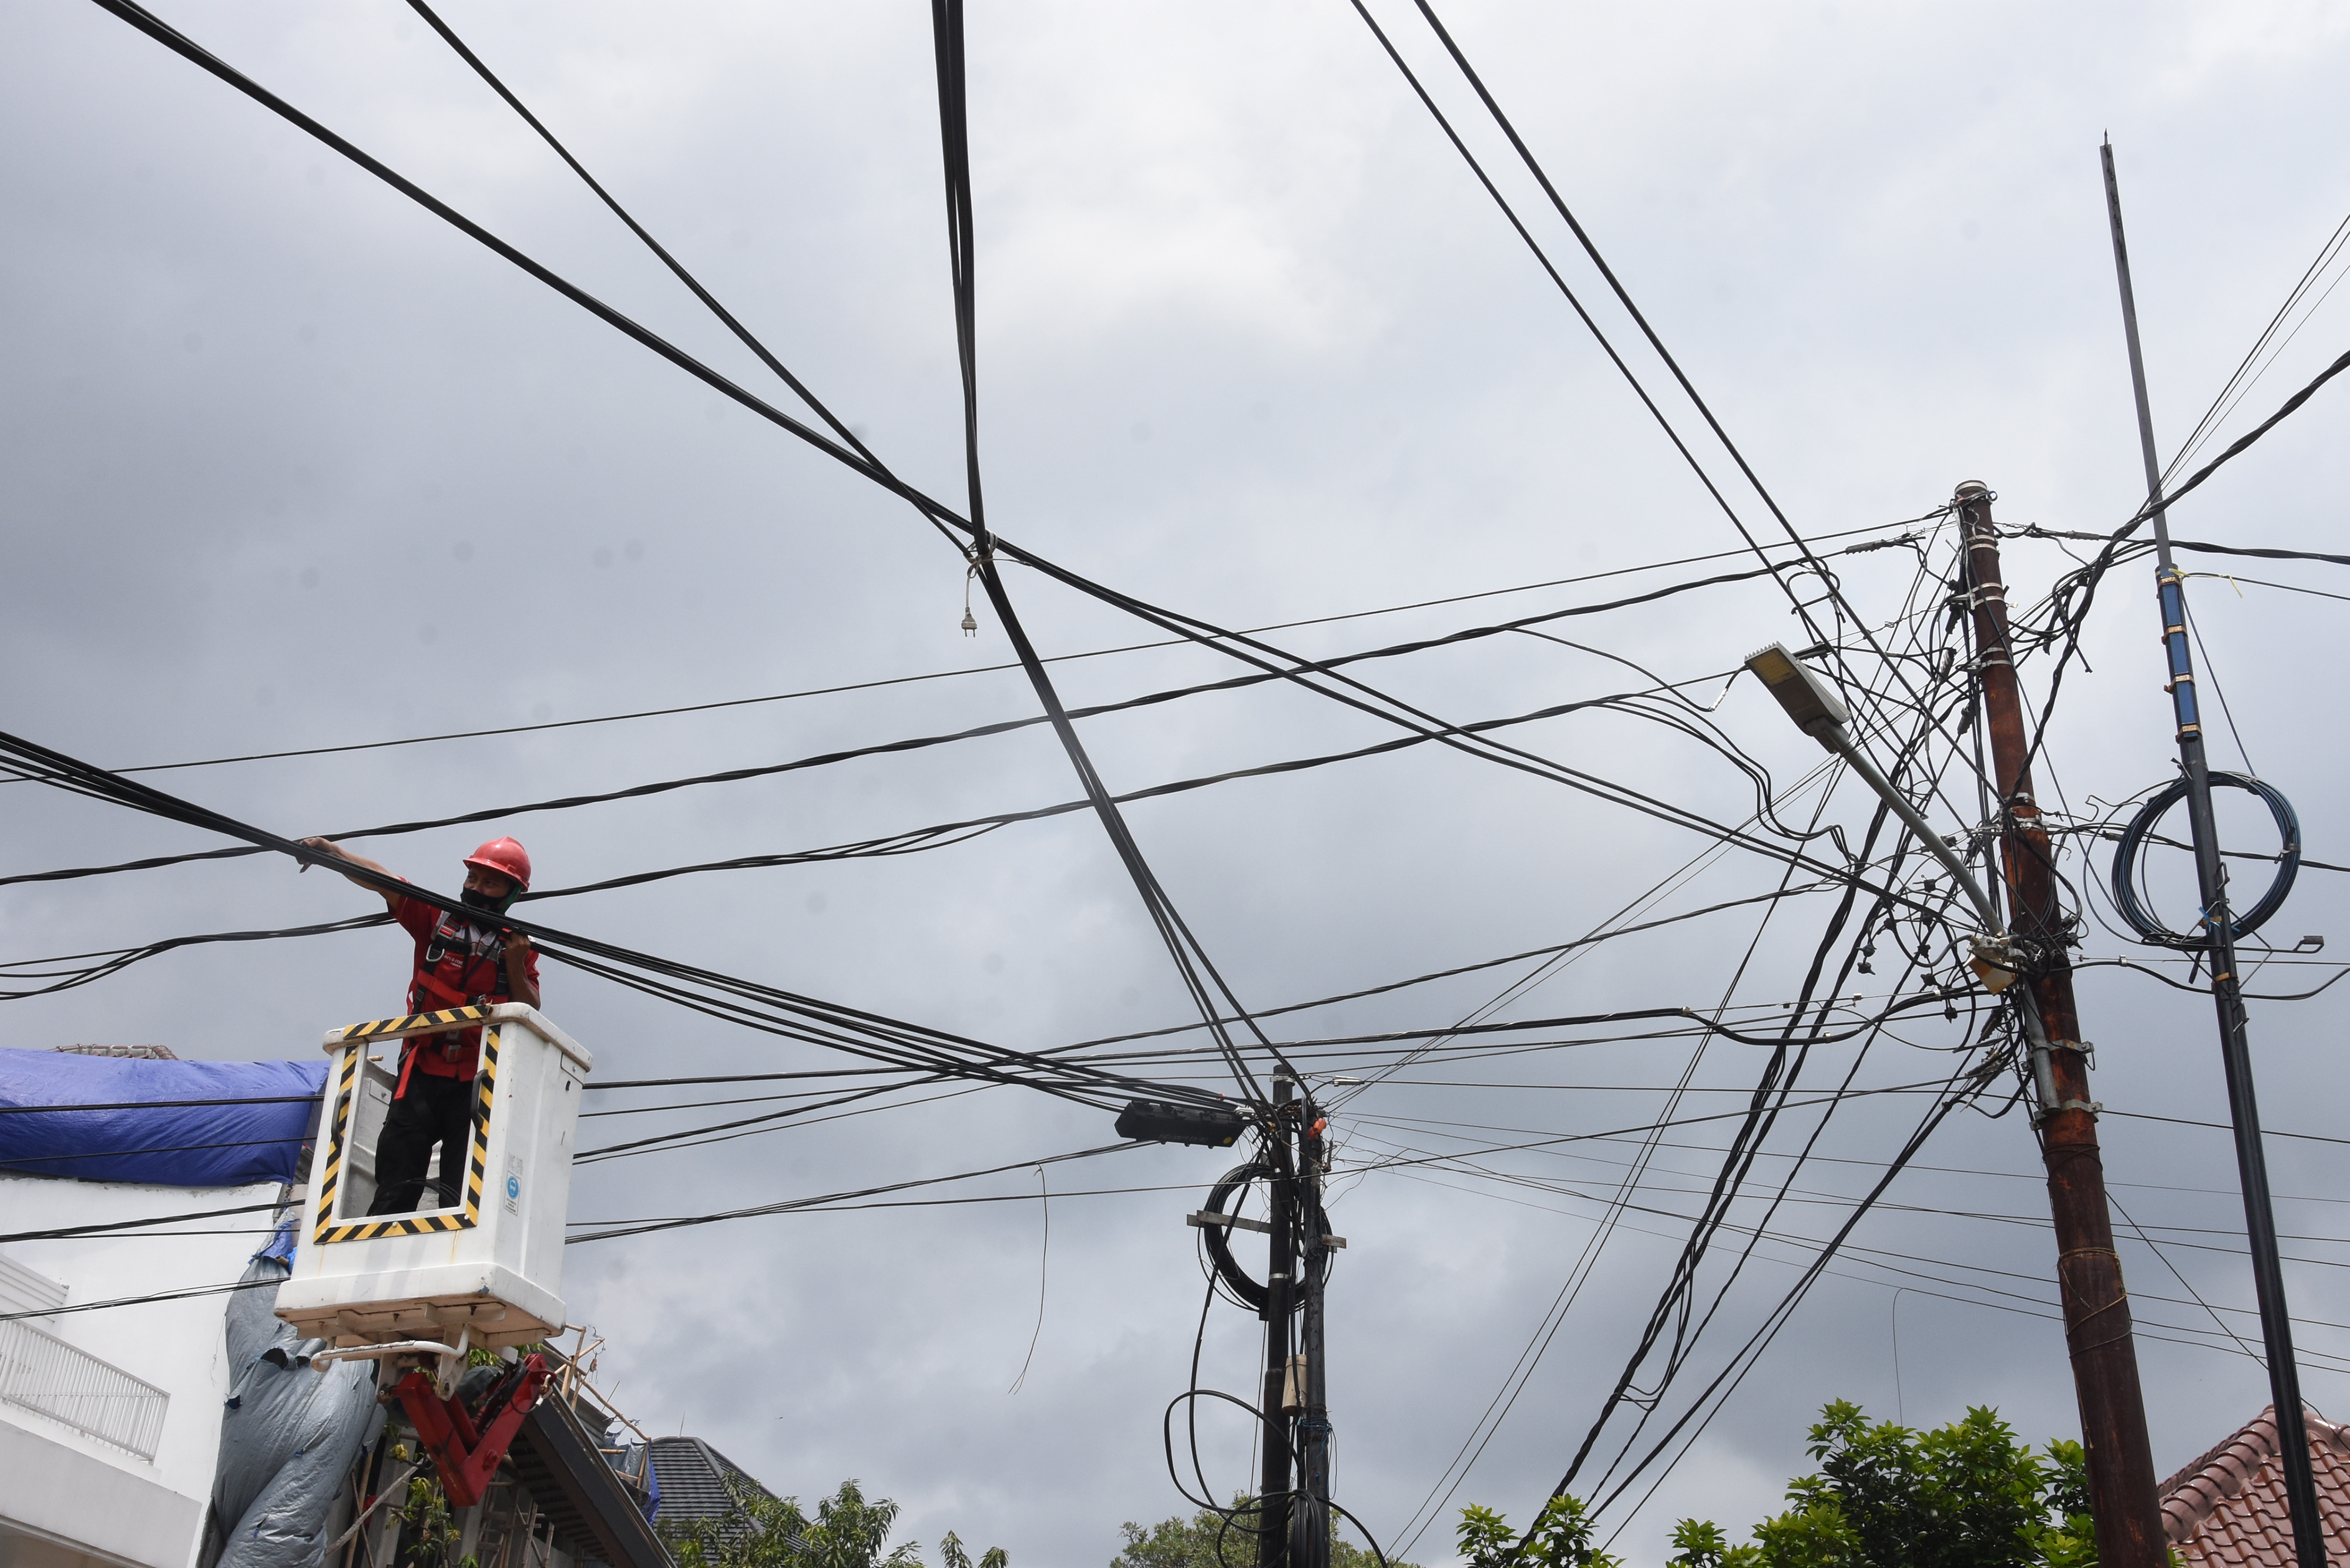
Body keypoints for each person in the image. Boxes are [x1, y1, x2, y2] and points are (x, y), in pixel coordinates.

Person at [298, 834, 541, 1215]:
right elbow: (384, 881)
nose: (476, 888)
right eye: (472, 878)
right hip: (423, 1071)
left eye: (490, 882)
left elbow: (530, 1009)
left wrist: (514, 963)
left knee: (460, 1194)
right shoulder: (436, 920)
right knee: (395, 1182)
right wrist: (332, 853)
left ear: (512, 894)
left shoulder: (518, 946)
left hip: (473, 1080)